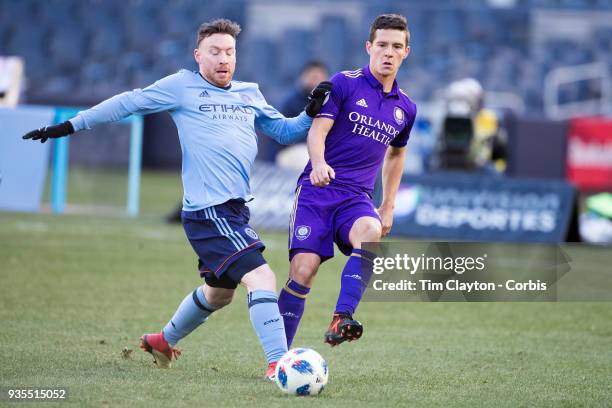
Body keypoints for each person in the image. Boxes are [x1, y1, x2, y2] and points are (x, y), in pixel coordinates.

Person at [22, 18, 332, 379]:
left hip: (234, 210)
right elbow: (128, 103)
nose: (223, 59)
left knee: (219, 294)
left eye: (229, 52)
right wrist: (70, 125)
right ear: (198, 55)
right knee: (262, 277)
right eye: (215, 51)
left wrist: (309, 114)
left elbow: (283, 131)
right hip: (209, 212)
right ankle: (280, 364)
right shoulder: (181, 86)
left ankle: (161, 340)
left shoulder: (248, 92)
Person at [277, 14, 417, 348]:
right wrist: (320, 163)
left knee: (370, 233)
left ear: (405, 52)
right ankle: (277, 357)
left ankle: (342, 317)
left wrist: (387, 205)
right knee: (303, 270)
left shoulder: (406, 109)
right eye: (382, 45)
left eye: (396, 46)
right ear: (369, 47)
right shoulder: (344, 83)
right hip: (318, 190)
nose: (388, 52)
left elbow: (396, 155)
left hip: (356, 198)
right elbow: (318, 131)